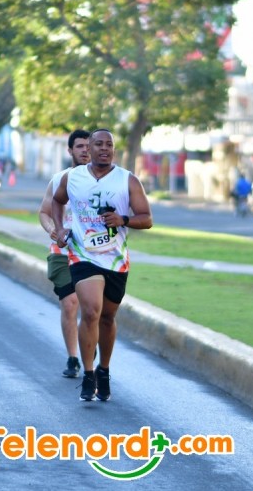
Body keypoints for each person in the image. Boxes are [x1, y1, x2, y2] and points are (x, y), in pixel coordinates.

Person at [51, 128, 153, 402]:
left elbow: (146, 218)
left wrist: (123, 220)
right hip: (83, 254)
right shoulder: (73, 177)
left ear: (114, 150)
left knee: (107, 318)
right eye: (99, 144)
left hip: (115, 258)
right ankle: (88, 374)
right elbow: (57, 201)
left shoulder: (127, 180)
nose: (104, 148)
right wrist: (60, 229)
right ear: (89, 148)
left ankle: (103, 370)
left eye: (109, 144)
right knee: (91, 311)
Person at [38, 129, 90, 378]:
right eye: (80, 146)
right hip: (62, 252)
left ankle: (91, 352)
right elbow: (44, 212)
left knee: (91, 309)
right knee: (69, 304)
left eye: (88, 146)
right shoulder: (59, 179)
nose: (85, 150)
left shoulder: (103, 182)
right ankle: (73, 358)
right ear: (70, 150)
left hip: (92, 254)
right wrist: (53, 230)